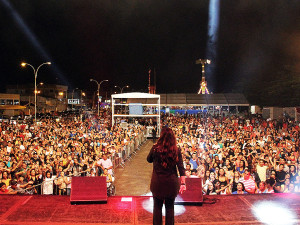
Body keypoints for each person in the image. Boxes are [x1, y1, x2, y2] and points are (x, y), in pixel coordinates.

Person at [147, 127, 186, 225]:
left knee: (157, 208)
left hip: (158, 183)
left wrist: (155, 148)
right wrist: (183, 183)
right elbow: (181, 168)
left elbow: (148, 159)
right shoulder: (176, 150)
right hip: (171, 184)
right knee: (170, 208)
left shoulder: (155, 148)